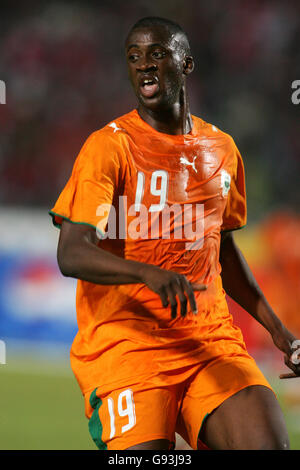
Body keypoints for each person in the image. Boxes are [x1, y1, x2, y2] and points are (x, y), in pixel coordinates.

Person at [49, 16, 300, 450]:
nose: (145, 65)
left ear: (186, 64)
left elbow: (222, 251)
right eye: (134, 57)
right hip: (128, 346)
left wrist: (279, 330)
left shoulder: (221, 148)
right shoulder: (109, 147)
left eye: (158, 54)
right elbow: (71, 252)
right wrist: (146, 273)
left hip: (209, 341)